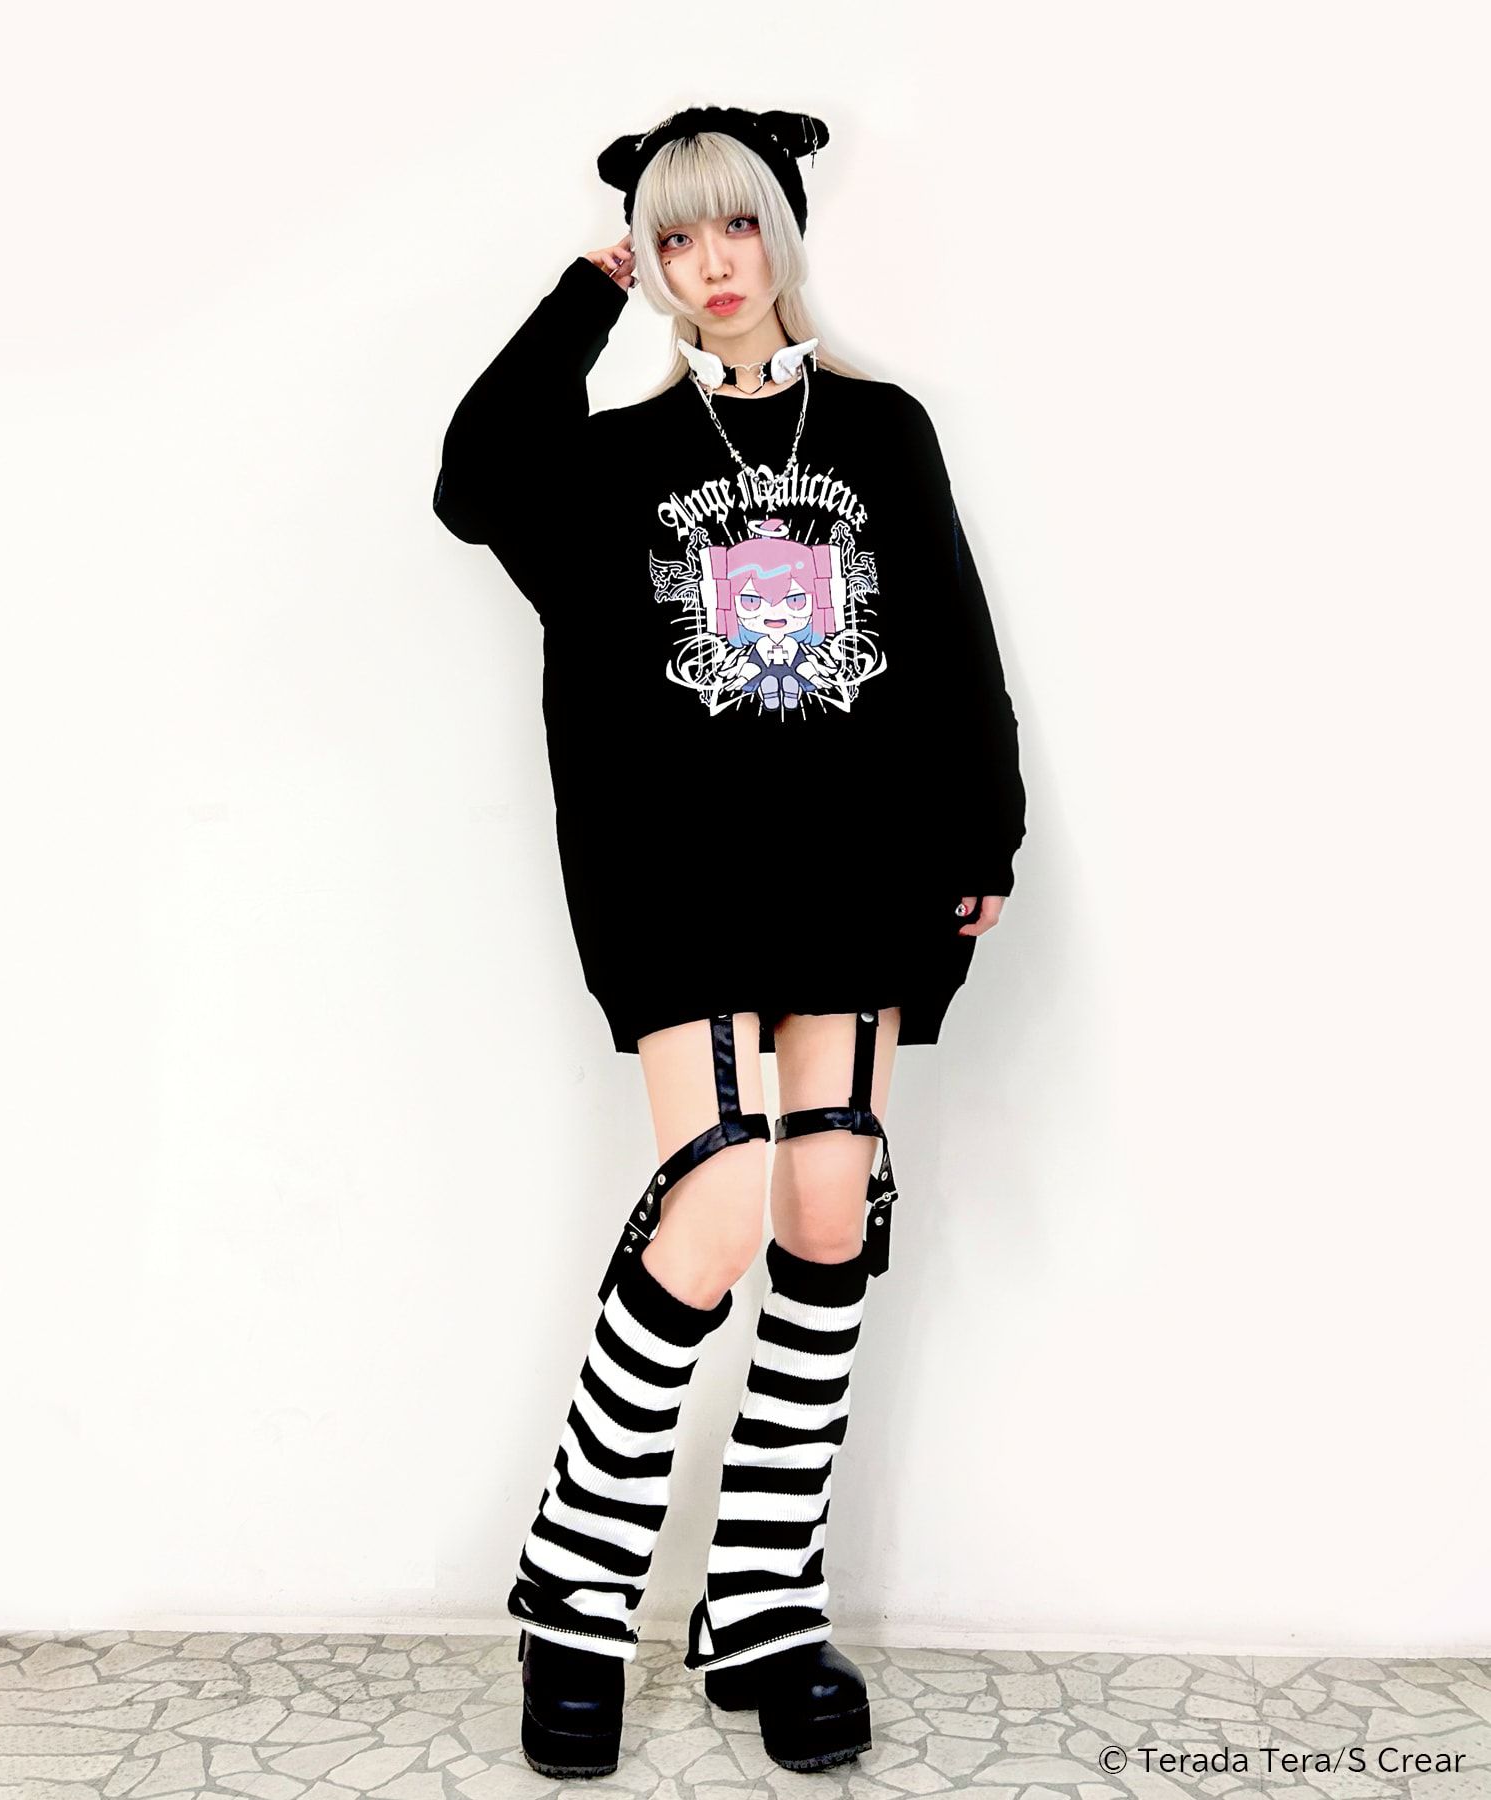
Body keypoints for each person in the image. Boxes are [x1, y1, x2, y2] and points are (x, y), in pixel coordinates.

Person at [431, 102, 1027, 1780]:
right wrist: (586, 292)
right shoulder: (609, 461)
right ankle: (574, 1594)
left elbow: (953, 633)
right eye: (676, 236)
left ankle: (762, 1604)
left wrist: (985, 825)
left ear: (785, 233)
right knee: (715, 1194)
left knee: (829, 1201)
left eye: (737, 224)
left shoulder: (882, 428)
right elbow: (472, 481)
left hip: (858, 860)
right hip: (676, 866)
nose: (711, 262)